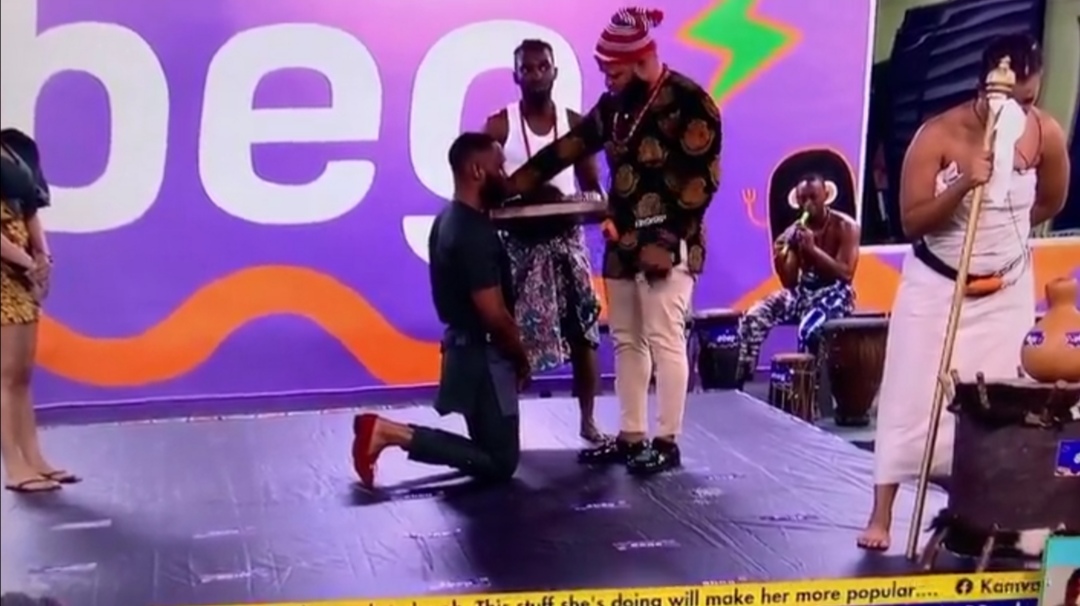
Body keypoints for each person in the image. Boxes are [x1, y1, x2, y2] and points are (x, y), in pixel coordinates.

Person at [858, 35, 1071, 550]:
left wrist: (1002, 235)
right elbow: (911, 222)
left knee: (993, 402)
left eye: (1030, 99)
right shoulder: (938, 135)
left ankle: (981, 511)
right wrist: (961, 187)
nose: (1022, 109)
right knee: (912, 396)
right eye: (1013, 99)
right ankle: (881, 515)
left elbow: (1051, 200)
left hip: (1006, 289)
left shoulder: (1044, 133)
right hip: (937, 286)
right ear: (985, 88)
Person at [506, 7, 722, 475]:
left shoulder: (691, 102)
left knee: (665, 338)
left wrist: (666, 240)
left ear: (642, 59)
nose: (607, 79)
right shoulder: (614, 107)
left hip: (670, 243)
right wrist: (510, 186)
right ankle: (631, 435)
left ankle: (666, 443)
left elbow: (702, 182)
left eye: (614, 71)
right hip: (622, 243)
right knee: (626, 340)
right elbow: (563, 151)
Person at [351, 132, 529, 488]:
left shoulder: (447, 219)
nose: (505, 176)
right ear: (477, 171)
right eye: (499, 167)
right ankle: (389, 433)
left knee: (489, 450)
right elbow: (493, 314)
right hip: (485, 358)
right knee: (501, 461)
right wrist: (521, 357)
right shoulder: (475, 233)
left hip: (464, 352)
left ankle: (388, 432)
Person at [483, 39, 607, 444]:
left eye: (543, 67)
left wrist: (593, 206)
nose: (536, 74)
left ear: (555, 72)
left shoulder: (574, 124)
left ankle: (588, 421)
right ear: (515, 75)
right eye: (527, 68)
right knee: (510, 339)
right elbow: (485, 188)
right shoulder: (499, 126)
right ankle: (506, 429)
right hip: (519, 248)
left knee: (584, 334)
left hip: (566, 243)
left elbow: (592, 188)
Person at [1, 128, 79, 493]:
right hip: (7, 272)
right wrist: (27, 263)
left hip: (23, 271)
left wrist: (42, 256)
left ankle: (35, 459)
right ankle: (15, 467)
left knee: (21, 375)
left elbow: (31, 210)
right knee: (5, 376)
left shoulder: (16, 147)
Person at [735, 173, 859, 385]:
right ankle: (742, 379)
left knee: (809, 331)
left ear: (825, 196)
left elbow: (846, 274)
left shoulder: (845, 226)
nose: (808, 204)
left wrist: (812, 251)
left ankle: (810, 389)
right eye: (803, 199)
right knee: (753, 316)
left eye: (813, 197)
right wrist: (784, 256)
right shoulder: (795, 231)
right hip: (804, 292)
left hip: (835, 293)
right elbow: (790, 283)